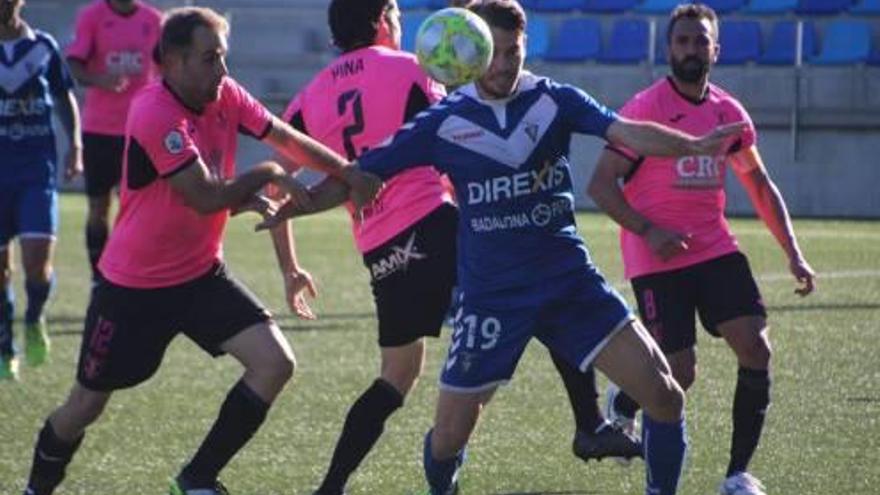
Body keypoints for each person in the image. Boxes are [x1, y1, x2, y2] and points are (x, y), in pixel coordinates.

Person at [262, 1, 751, 493]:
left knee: (665, 395)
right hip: (491, 298)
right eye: (492, 53)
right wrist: (295, 205)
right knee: (447, 441)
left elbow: (625, 132)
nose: (503, 64)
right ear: (473, 55)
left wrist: (689, 145)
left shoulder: (555, 99)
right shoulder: (444, 120)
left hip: (569, 284)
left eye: (513, 51)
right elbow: (359, 176)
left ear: (525, 46)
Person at [20, 7, 379, 495]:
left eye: (223, 57)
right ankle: (36, 488)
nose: (223, 71)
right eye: (210, 59)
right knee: (85, 405)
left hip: (198, 275)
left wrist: (350, 172)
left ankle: (197, 478)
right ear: (171, 61)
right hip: (133, 288)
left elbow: (287, 137)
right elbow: (204, 195)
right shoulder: (153, 111)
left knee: (275, 363)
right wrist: (269, 177)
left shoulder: (225, 94)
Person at [587, 4, 816, 495]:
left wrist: (793, 252)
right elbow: (602, 186)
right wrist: (648, 232)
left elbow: (757, 181)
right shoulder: (644, 109)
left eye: (700, 41)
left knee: (756, 348)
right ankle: (628, 403)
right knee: (679, 374)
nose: (691, 49)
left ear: (716, 49)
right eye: (682, 41)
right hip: (656, 257)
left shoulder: (728, 114)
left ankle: (737, 474)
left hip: (713, 249)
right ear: (669, 49)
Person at [0, 0, 82, 380]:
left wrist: (75, 147)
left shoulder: (43, 47)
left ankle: (34, 318)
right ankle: (5, 348)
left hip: (36, 172)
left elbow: (65, 98)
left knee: (37, 265)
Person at [65, 0, 162, 283]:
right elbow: (74, 65)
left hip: (141, 130)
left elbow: (166, 67)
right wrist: (99, 79)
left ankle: (133, 273)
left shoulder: (153, 20)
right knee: (99, 208)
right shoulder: (92, 16)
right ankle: (99, 277)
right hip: (100, 130)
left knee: (139, 209)